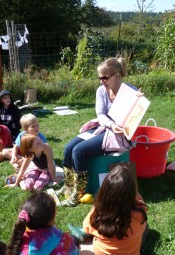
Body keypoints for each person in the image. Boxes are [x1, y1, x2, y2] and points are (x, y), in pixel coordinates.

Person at [58, 57, 140, 206]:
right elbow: (101, 115)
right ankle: (68, 186)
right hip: (105, 127)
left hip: (119, 135)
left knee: (79, 151)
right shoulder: (101, 91)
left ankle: (79, 193)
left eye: (104, 77)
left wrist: (139, 101)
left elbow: (136, 116)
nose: (101, 81)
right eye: (99, 77)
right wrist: (110, 124)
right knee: (69, 147)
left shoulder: (131, 92)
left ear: (117, 76)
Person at [82, 165, 148, 255]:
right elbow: (140, 201)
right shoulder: (139, 213)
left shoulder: (97, 211)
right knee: (146, 227)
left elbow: (86, 227)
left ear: (104, 191)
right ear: (132, 193)